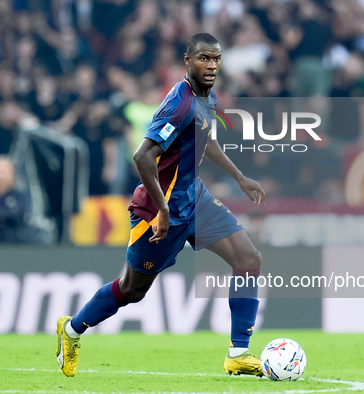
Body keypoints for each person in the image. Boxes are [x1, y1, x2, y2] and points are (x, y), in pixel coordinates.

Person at [55, 33, 266, 378]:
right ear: (187, 61)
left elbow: (205, 141)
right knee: (131, 290)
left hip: (194, 198)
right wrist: (163, 211)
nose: (211, 65)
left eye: (215, 59)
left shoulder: (204, 98)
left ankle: (238, 353)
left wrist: (239, 176)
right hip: (160, 209)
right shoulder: (179, 104)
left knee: (248, 258)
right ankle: (73, 330)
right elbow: (143, 157)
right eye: (203, 59)